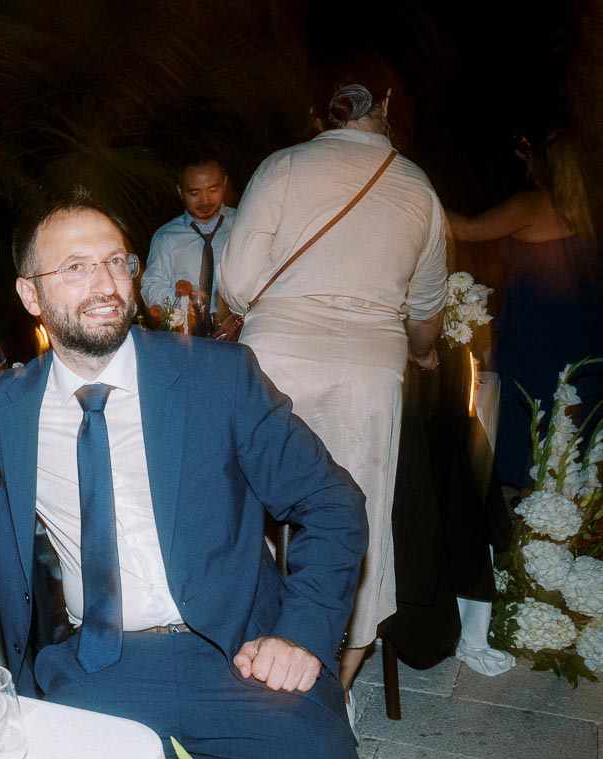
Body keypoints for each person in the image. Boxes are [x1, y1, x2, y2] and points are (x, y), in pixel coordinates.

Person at [0, 187, 382, 759]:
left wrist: (303, 634)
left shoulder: (214, 378)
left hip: (239, 656)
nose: (105, 285)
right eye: (75, 268)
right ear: (29, 296)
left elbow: (331, 502)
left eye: (117, 263)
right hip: (92, 666)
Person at [219, 73, 447, 704]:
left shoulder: (283, 165)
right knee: (359, 513)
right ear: (390, 103)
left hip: (275, 362)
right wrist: (425, 357)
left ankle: (251, 649)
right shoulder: (419, 188)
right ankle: (334, 690)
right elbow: (427, 308)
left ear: (321, 109)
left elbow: (238, 285)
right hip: (368, 374)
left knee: (253, 508)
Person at [446, 129, 602, 487]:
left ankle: (521, 524)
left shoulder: (531, 206)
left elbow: (467, 230)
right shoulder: (592, 211)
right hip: (586, 355)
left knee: (529, 446)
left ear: (542, 164)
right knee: (577, 456)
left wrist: (415, 197)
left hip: (535, 350)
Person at [140, 156, 236, 335]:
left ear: (224, 183)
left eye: (213, 189)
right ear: (180, 191)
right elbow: (150, 287)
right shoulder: (166, 236)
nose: (205, 200)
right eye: (194, 193)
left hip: (238, 327)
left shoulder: (243, 225)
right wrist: (184, 301)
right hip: (187, 331)